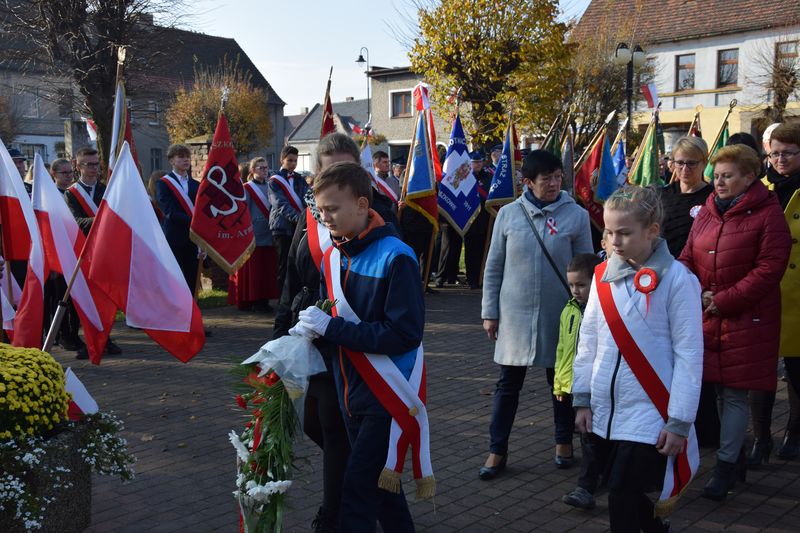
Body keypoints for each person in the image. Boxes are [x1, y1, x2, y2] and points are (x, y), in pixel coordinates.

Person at [292, 161, 425, 533]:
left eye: (333, 209)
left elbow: (404, 333)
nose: (325, 218)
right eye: (320, 210)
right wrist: (310, 328)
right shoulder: (335, 254)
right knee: (384, 490)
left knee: (357, 492)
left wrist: (334, 328)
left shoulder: (397, 257)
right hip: (348, 389)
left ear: (363, 204)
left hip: (388, 393)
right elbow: (329, 315)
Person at [573, 186, 703, 532]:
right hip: (604, 410)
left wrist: (680, 421)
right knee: (629, 500)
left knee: (622, 498)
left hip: (651, 410)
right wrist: (582, 397)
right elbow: (588, 340)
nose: (615, 241)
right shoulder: (601, 277)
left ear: (652, 231)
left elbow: (689, 354)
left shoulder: (678, 280)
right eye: (609, 232)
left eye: (625, 233)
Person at [680, 144, 791, 500]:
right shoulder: (709, 211)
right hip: (707, 314)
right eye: (717, 175)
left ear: (749, 177)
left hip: (746, 317)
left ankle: (726, 467)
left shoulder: (768, 213)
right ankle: (736, 457)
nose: (718, 182)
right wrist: (695, 292)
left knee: (734, 393)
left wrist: (723, 300)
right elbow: (687, 256)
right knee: (714, 390)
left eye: (727, 176)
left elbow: (769, 268)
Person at [479, 149, 593, 480]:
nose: (554, 184)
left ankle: (563, 443)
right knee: (507, 385)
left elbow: (586, 267)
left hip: (560, 314)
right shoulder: (509, 215)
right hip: (514, 316)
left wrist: (586, 310)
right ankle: (496, 449)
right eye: (547, 179)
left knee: (560, 382)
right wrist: (490, 312)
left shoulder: (576, 215)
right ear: (528, 182)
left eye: (558, 177)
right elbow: (493, 266)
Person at [272, 133, 359, 533]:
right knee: (311, 423)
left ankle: (334, 514)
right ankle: (363, 479)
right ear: (317, 173)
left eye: (346, 167)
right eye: (328, 168)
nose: (337, 174)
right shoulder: (310, 215)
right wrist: (278, 336)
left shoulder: (372, 215)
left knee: (332, 425)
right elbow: (291, 276)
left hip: (347, 338)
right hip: (306, 331)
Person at [749, 123, 800, 465]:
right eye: (775, 153)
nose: (781, 159)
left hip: (798, 293)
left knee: (797, 369)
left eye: (789, 153)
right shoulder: (759, 188)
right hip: (763, 290)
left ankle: (795, 431)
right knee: (759, 368)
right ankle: (761, 438)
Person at [554, 253, 603, 510]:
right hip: (578, 386)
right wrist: (561, 385)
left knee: (593, 438)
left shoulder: (604, 310)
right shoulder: (569, 310)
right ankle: (588, 484)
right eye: (572, 285)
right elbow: (563, 351)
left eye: (581, 285)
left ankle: (587, 484)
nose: (575, 291)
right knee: (588, 436)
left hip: (601, 387)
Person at [64, 147, 122, 358]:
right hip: (81, 252)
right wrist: (104, 221)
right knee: (80, 298)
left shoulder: (107, 190)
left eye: (97, 163)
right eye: (89, 164)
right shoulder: (70, 194)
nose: (94, 168)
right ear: (77, 166)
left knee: (105, 298)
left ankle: (105, 337)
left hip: (105, 252)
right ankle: (82, 339)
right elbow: (76, 222)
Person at [228, 157, 279, 313]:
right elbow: (243, 212)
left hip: (269, 232)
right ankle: (255, 300)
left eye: (266, 168)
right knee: (255, 271)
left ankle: (264, 299)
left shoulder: (271, 186)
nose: (265, 170)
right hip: (255, 234)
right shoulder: (247, 188)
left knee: (267, 269)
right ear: (253, 170)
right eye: (261, 168)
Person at [43, 158, 82, 353]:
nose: (68, 176)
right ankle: (59, 334)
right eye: (64, 173)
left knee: (74, 297)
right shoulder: (48, 196)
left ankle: (73, 334)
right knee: (57, 297)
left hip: (74, 250)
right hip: (56, 253)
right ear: (54, 175)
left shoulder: (76, 194)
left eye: (70, 173)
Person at [156, 144, 201, 292]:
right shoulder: (163, 184)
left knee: (192, 276)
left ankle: (192, 311)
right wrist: (194, 222)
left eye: (187, 157)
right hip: (173, 236)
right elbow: (169, 212)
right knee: (175, 278)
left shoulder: (196, 185)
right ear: (171, 161)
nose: (186, 160)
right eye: (181, 157)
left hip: (192, 238)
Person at [269, 145, 307, 294]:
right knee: (284, 265)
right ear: (282, 160)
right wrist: (299, 218)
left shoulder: (300, 179)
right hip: (281, 227)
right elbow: (279, 204)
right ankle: (282, 302)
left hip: (299, 227)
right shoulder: (274, 181)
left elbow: (306, 198)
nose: (293, 164)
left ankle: (295, 298)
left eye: (295, 161)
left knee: (297, 264)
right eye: (290, 160)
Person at [463, 151, 493, 289]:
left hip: (485, 218)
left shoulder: (488, 177)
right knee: (471, 252)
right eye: (475, 162)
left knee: (483, 251)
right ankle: (472, 279)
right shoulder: (465, 177)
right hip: (470, 219)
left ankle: (482, 278)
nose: (478, 164)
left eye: (480, 162)